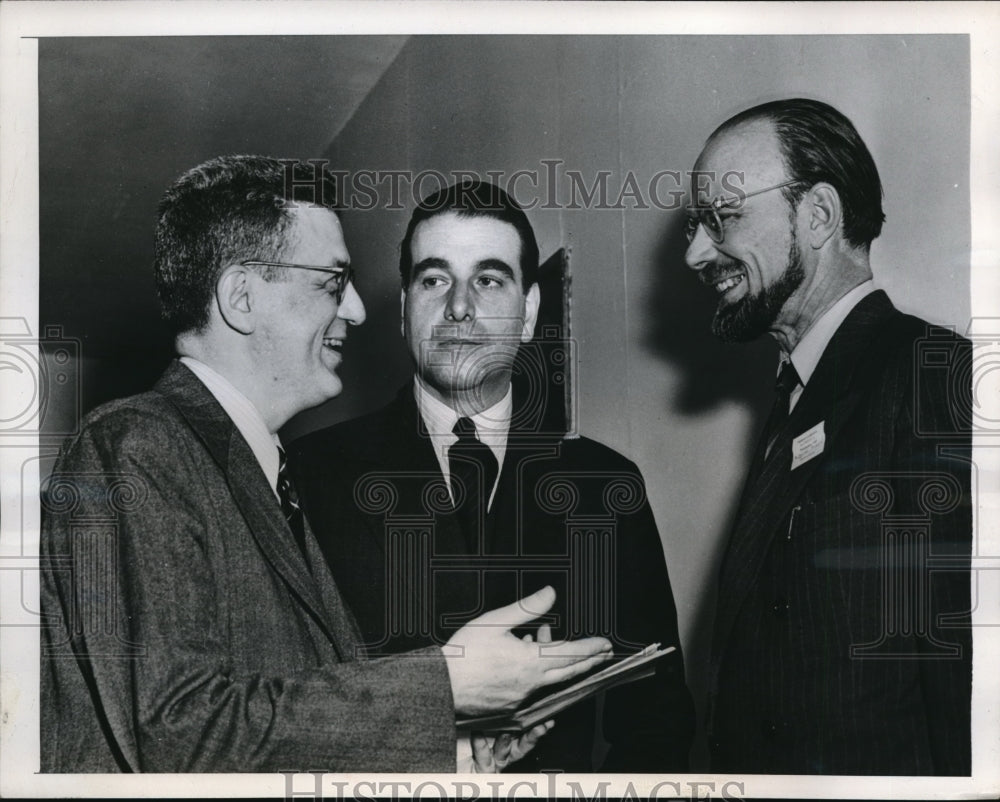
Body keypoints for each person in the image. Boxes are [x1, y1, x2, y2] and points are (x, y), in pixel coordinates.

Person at [39, 156, 615, 773]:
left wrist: (455, 752)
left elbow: (278, 713)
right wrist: (446, 686)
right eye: (331, 282)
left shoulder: (261, 473)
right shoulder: (135, 445)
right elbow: (183, 737)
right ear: (241, 297)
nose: (358, 311)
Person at [290, 180, 695, 772]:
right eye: (434, 280)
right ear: (403, 310)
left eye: (488, 280)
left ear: (528, 312)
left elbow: (657, 720)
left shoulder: (606, 486)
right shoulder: (309, 475)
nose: (459, 307)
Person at [684, 98, 972, 775]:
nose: (695, 253)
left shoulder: (932, 376)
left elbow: (967, 681)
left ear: (817, 215)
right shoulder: (794, 398)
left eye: (722, 218)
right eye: (694, 226)